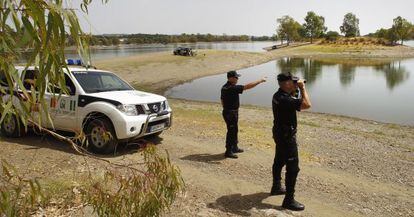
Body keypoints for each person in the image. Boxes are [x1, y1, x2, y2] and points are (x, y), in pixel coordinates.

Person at [270, 71, 311, 211]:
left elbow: (294, 101)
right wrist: (302, 88)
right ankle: (289, 200)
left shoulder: (278, 95)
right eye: (293, 81)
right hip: (287, 137)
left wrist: (295, 89)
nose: (295, 83)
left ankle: (276, 187)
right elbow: (306, 105)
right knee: (293, 168)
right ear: (286, 83)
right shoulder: (285, 99)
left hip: (279, 133)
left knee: (279, 160)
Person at [221, 71, 266, 159]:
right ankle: (228, 151)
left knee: (235, 130)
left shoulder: (225, 87)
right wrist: (260, 81)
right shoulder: (230, 88)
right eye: (236, 77)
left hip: (230, 112)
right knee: (231, 131)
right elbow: (247, 87)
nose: (237, 79)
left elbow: (222, 100)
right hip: (230, 113)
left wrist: (227, 109)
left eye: (237, 77)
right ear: (230, 78)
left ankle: (234, 147)